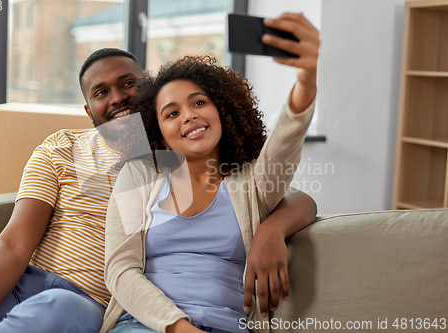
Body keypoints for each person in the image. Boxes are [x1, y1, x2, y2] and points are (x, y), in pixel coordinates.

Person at [0, 42, 315, 333]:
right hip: (30, 277)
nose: (117, 98)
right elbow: (14, 242)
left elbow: (279, 182)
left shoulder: (174, 159)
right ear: (88, 109)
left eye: (128, 83)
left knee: (54, 311)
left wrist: (274, 227)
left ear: (148, 92)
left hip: (87, 299)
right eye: (100, 92)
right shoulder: (64, 148)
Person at [101, 12, 319, 333]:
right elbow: (120, 270)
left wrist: (306, 79)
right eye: (172, 113)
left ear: (223, 112)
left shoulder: (252, 183)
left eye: (199, 103)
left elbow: (285, 142)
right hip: (145, 325)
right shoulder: (139, 175)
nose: (188, 116)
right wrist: (178, 327)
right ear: (159, 134)